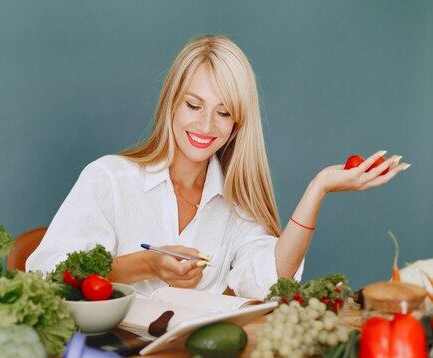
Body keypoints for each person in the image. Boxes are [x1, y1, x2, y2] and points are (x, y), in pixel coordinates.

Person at [26, 35, 408, 299]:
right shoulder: (109, 178)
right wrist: (147, 263)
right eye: (194, 106)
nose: (206, 126)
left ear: (238, 123)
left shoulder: (234, 203)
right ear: (171, 103)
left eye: (223, 113)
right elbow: (47, 273)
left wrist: (318, 188)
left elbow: (270, 280)